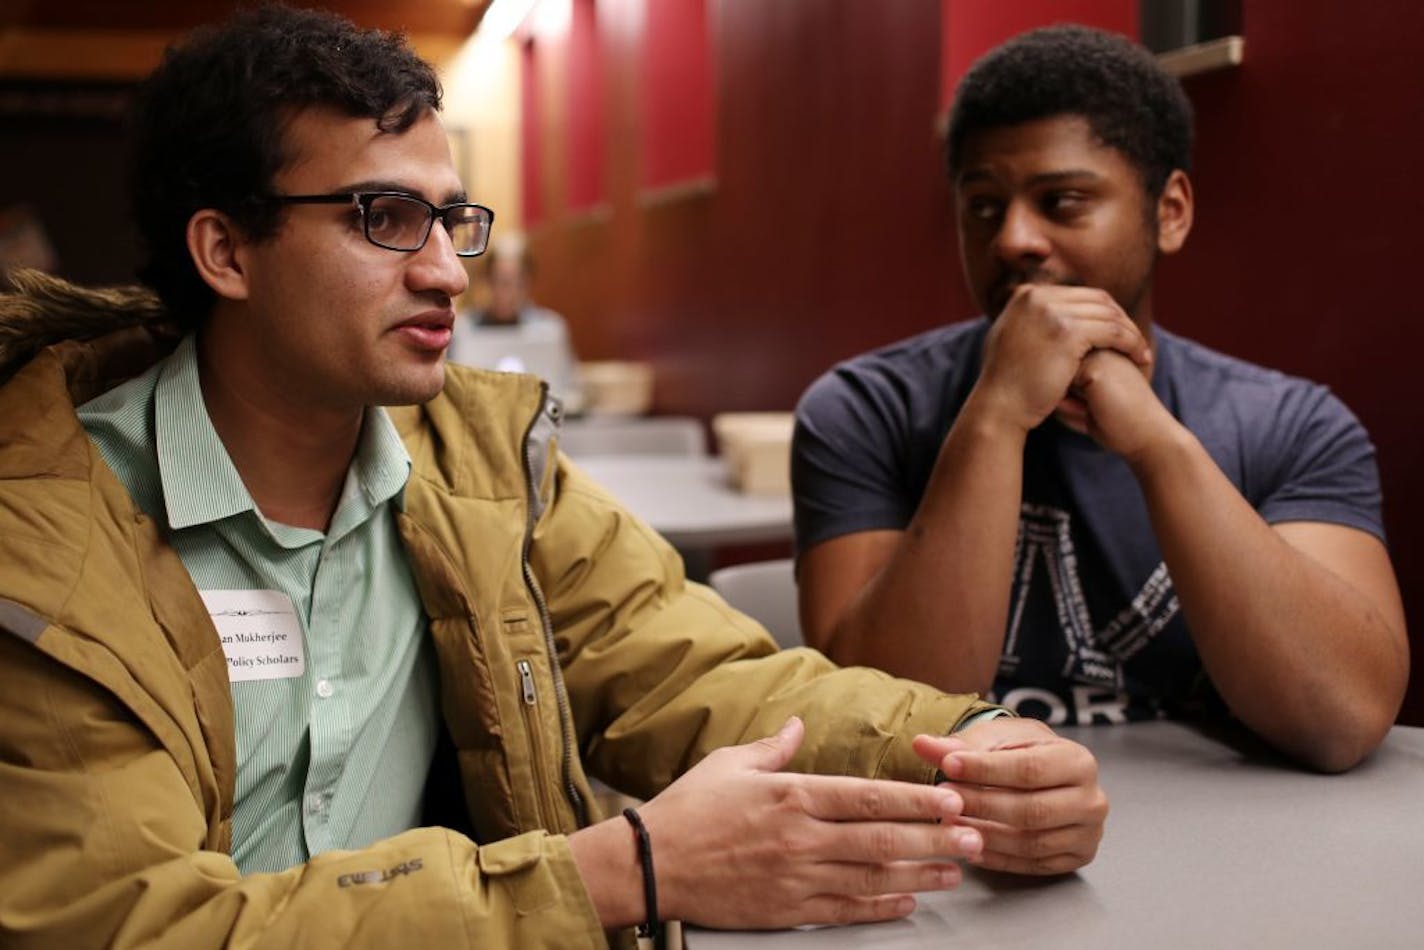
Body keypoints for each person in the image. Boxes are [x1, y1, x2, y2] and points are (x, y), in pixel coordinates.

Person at [0, 7, 1107, 947]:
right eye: (383, 218)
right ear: (225, 252)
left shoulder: (482, 469)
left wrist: (964, 743)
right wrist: (615, 871)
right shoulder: (41, 541)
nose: (444, 269)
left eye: (449, 219)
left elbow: (692, 673)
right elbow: (139, 923)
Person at [792, 24, 1408, 774]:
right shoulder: (866, 408)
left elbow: (1341, 718)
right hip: (964, 855)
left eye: (1063, 201)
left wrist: (1158, 444)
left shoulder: (1291, 425)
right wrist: (995, 415)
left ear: (1170, 211)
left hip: (1232, 851)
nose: (1014, 238)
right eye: (983, 207)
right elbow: (877, 722)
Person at [447, 234, 585, 412]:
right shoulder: (463, 330)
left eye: (517, 283)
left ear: (528, 282)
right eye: (501, 282)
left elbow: (573, 392)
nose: (507, 293)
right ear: (488, 280)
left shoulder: (551, 329)